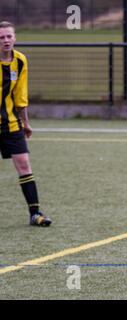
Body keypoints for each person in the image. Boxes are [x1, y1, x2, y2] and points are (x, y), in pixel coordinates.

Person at [0, 21, 51, 227]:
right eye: (1, 37)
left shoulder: (20, 61)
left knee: (24, 165)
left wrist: (26, 122)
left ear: (15, 38)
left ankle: (35, 213)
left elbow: (20, 95)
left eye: (8, 36)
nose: (5, 41)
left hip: (11, 124)